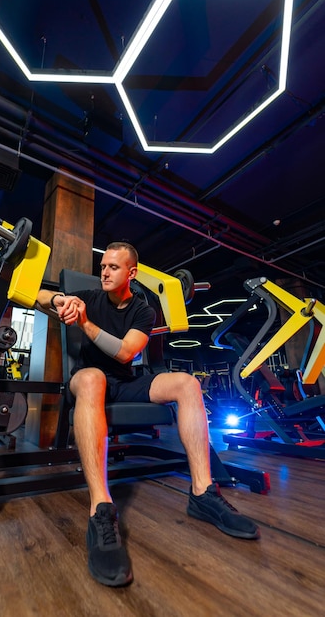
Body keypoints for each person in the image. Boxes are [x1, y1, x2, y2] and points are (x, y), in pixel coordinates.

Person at [36, 242, 260, 587]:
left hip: (125, 381)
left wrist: (84, 324)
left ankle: (203, 493)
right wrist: (60, 300)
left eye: (113, 267)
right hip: (88, 380)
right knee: (94, 377)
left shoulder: (143, 311)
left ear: (132, 273)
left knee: (186, 384)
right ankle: (101, 509)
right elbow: (38, 295)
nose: (105, 272)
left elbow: (126, 354)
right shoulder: (90, 297)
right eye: (103, 266)